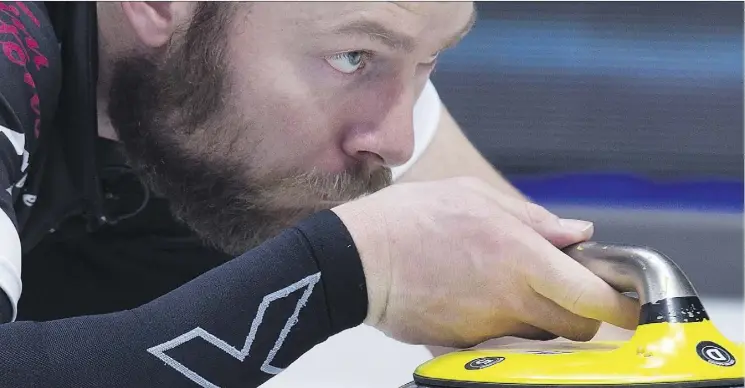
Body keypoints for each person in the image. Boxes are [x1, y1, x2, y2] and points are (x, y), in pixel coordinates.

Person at [0, 2, 639, 387]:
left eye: (430, 60)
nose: (392, 139)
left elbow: (594, 341)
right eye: (354, 57)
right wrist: (352, 268)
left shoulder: (327, 73)